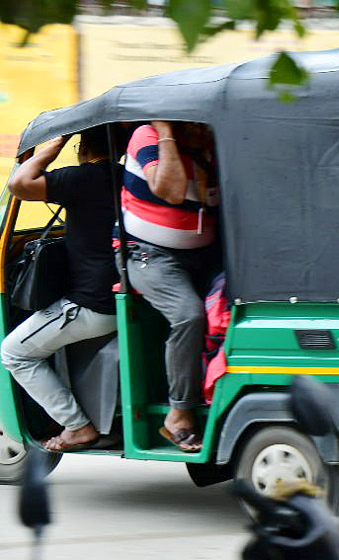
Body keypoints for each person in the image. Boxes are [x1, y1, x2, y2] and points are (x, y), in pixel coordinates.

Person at [1, 127, 120, 452]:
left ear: (81, 146)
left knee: (14, 353)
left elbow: (19, 183)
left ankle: (77, 426)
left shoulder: (84, 178)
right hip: (119, 301)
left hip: (91, 305)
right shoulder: (124, 177)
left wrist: (52, 146)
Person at [119, 120, 220, 453]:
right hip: (149, 255)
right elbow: (171, 190)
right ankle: (178, 413)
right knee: (188, 315)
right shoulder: (149, 136)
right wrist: (166, 132)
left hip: (203, 254)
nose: (205, 129)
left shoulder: (207, 146)